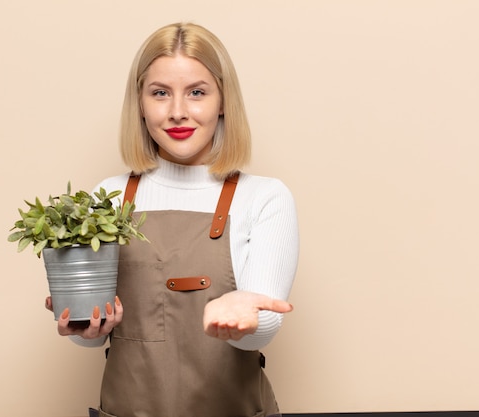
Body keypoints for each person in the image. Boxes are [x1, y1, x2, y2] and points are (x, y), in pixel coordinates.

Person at [45, 22, 299, 417]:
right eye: (160, 93)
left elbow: (260, 335)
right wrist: (84, 329)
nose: (178, 111)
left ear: (222, 101)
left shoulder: (264, 197)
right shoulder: (105, 199)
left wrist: (245, 319)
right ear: (141, 104)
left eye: (197, 92)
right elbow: (93, 340)